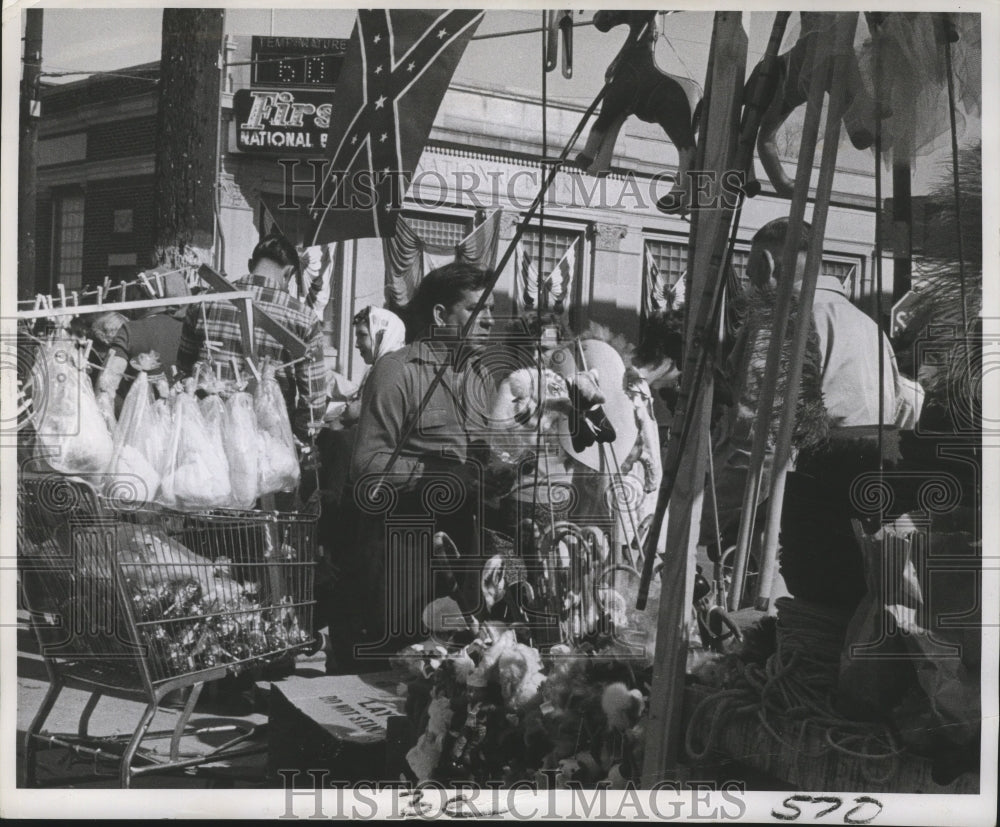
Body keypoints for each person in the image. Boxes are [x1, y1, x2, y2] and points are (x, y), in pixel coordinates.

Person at [343, 263, 494, 666]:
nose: (489, 320)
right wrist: (438, 475)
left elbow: (480, 458)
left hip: (464, 556)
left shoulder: (481, 378)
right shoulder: (395, 371)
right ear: (441, 315)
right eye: (476, 310)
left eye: (492, 309)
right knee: (397, 674)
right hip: (404, 552)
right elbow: (367, 467)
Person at [176, 233, 327, 442]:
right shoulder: (304, 317)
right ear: (289, 272)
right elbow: (314, 402)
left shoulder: (204, 302)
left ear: (250, 265)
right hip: (269, 443)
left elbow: (184, 372)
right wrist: (298, 438)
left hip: (207, 440)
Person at [95, 270, 187, 422]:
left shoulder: (130, 330)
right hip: (182, 423)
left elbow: (105, 387)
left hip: (139, 426)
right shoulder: (188, 330)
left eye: (138, 293)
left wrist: (110, 429)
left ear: (147, 295)